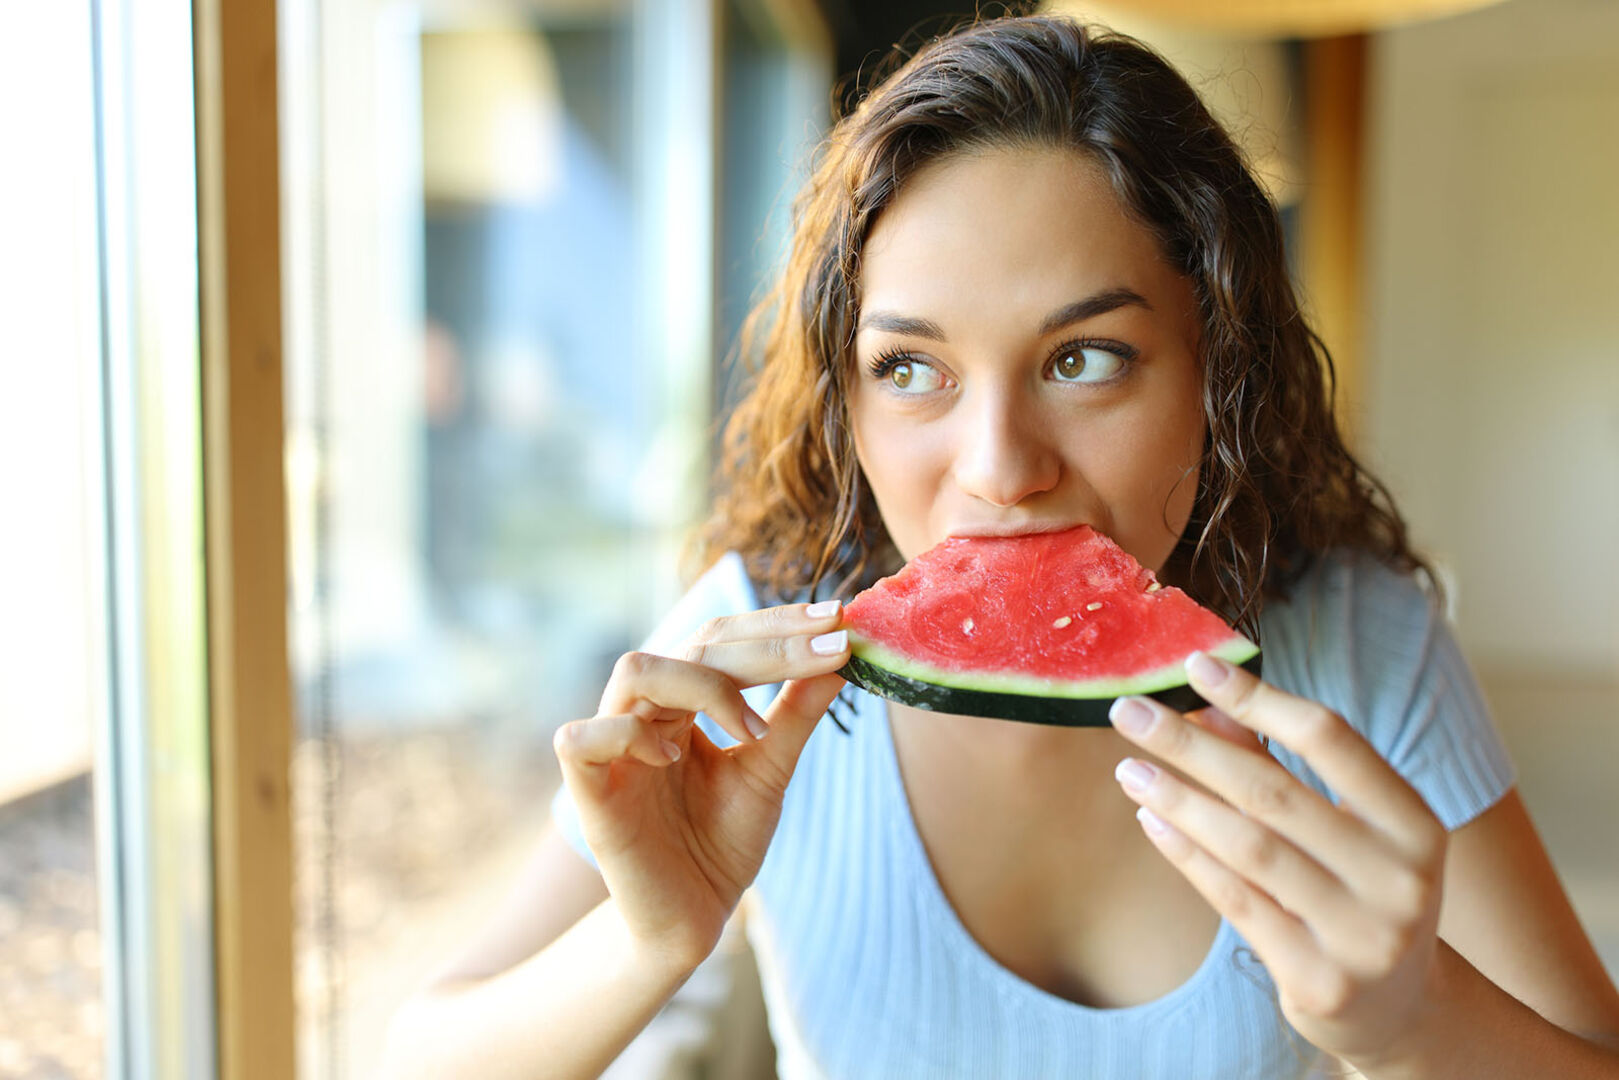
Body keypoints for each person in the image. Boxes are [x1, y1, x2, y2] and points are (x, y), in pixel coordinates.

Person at [379, 15, 1619, 1079]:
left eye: (1083, 360)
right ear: (844, 400)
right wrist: (650, 940)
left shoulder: (1358, 642)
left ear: (1214, 371)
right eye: (909, 369)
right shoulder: (752, 654)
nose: (997, 467)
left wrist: (1414, 1026)